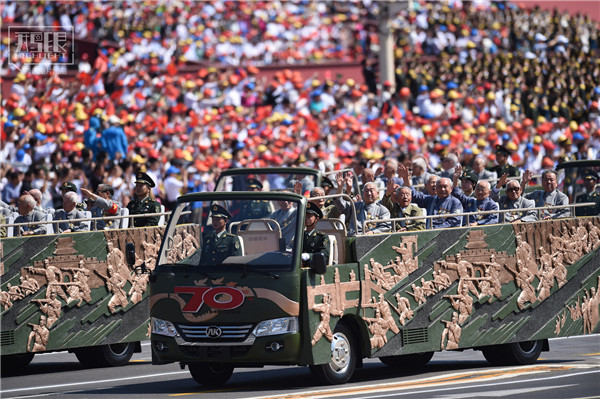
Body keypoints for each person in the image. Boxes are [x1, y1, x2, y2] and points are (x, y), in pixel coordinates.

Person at [398, 164, 463, 229]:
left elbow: (454, 222)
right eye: (439, 187)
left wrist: (435, 229)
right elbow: (415, 195)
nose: (442, 189)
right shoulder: (431, 200)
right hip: (429, 233)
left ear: (451, 188)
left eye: (445, 187)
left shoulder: (455, 202)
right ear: (436, 188)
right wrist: (406, 179)